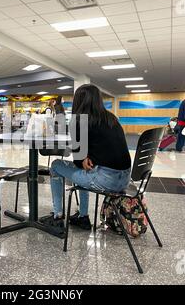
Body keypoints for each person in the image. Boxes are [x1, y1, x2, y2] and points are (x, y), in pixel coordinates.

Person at [40, 84, 132, 231]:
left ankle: (57, 215)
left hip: (105, 180)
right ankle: (83, 216)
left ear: (78, 101)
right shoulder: (111, 118)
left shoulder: (79, 121)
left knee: (56, 165)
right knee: (85, 168)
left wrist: (83, 158)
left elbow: (77, 161)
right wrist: (86, 157)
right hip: (125, 180)